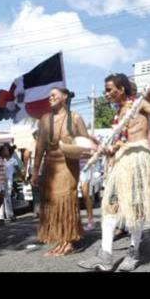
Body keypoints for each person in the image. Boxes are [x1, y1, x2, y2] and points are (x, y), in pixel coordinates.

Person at [78, 73, 150, 272]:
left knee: (134, 207)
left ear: (121, 90)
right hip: (121, 161)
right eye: (105, 90)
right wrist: (109, 149)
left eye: (109, 89)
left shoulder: (139, 104)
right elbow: (121, 141)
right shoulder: (119, 113)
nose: (106, 93)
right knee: (110, 205)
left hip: (138, 159)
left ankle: (133, 251)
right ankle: (105, 256)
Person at [31, 87, 96, 257]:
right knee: (53, 203)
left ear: (64, 97)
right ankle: (61, 239)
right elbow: (39, 148)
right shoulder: (45, 119)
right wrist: (35, 171)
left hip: (68, 165)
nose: (50, 98)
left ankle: (67, 241)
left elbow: (86, 144)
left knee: (65, 202)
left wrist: (80, 150)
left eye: (54, 95)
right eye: (49, 96)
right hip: (50, 167)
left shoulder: (75, 118)